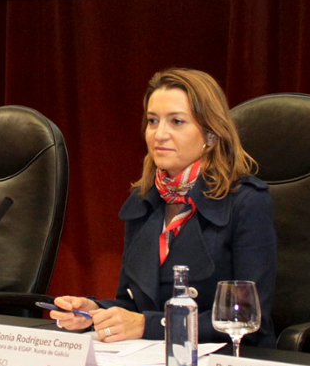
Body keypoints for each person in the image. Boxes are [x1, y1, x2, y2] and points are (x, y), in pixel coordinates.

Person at [50, 68, 276, 346]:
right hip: (153, 357)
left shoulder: (247, 201)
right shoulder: (143, 199)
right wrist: (95, 311)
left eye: (177, 121)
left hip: (226, 361)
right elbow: (135, 303)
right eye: (153, 121)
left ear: (211, 134)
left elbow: (247, 319)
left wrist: (148, 325)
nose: (159, 134)